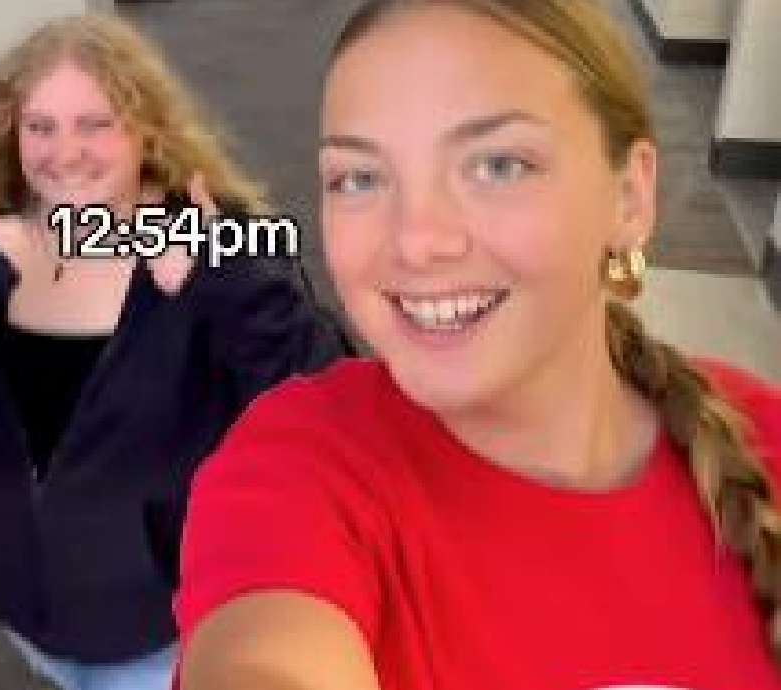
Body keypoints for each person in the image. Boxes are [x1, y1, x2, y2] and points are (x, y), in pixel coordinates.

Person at [175, 1, 781, 688]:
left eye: (497, 165)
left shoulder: (761, 441)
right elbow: (263, 657)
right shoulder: (300, 466)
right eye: (359, 178)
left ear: (630, 197)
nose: (416, 241)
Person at [0, 13, 346, 690]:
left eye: (95, 124)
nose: (65, 152)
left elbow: (331, 403)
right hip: (30, 611)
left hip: (173, 632)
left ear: (145, 131)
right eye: (42, 127)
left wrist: (222, 284)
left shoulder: (223, 239)